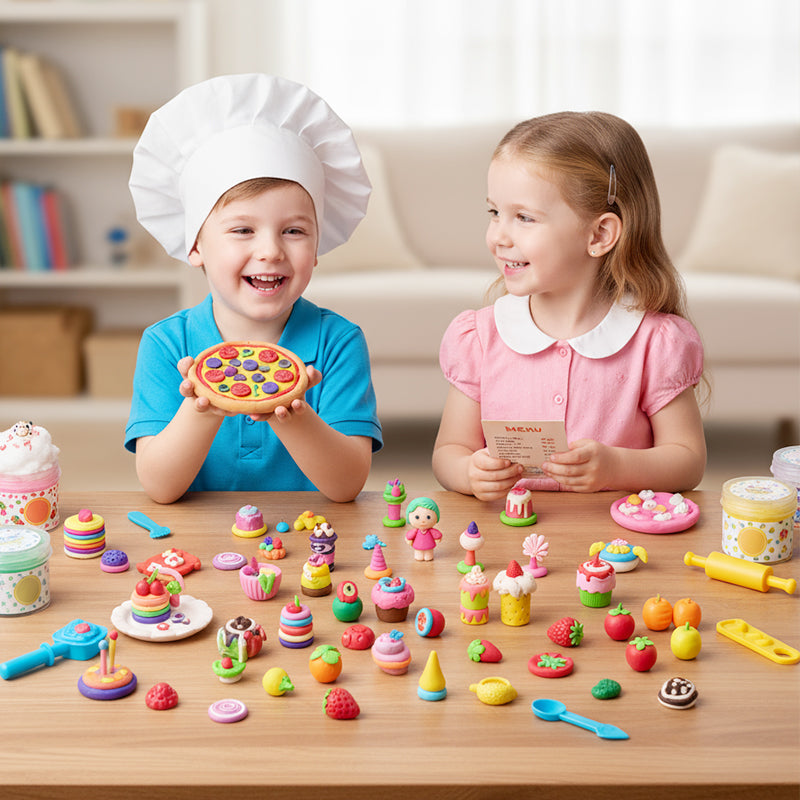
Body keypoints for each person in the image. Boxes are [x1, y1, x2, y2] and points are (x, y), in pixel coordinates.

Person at [125, 74, 381, 503]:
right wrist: (203, 406)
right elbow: (159, 487)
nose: (270, 251)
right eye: (243, 229)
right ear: (196, 246)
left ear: (319, 245)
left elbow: (346, 486)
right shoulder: (168, 345)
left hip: (311, 548)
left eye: (294, 230)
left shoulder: (339, 342)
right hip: (199, 553)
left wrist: (292, 413)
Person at [433, 111, 706, 500]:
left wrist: (616, 467)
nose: (498, 237)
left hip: (620, 549)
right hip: (507, 548)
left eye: (524, 217)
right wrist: (469, 472)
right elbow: (449, 453)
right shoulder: (480, 337)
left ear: (599, 234)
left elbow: (688, 461)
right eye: (495, 213)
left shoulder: (655, 343)